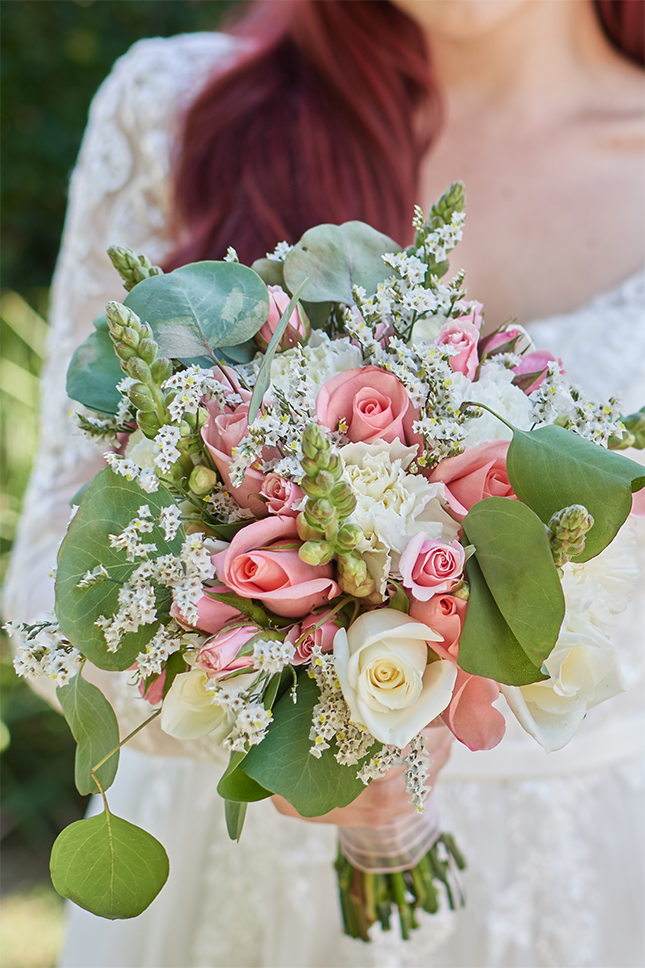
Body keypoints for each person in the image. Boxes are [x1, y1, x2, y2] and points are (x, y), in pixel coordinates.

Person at [4, 1, 644, 965]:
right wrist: (275, 700)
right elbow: (44, 598)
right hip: (237, 871)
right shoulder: (180, 107)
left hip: (587, 872)